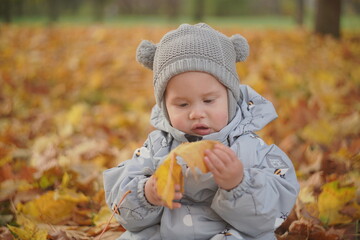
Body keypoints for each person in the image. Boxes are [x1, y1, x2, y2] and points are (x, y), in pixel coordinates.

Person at [103, 23, 299, 240]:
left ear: (230, 98)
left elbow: (270, 216)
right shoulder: (157, 147)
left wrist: (239, 184)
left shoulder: (250, 148)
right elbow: (123, 210)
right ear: (164, 107)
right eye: (182, 105)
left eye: (208, 100)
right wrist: (147, 194)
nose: (196, 113)